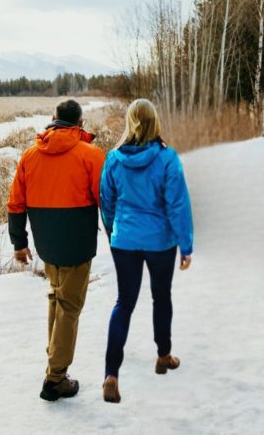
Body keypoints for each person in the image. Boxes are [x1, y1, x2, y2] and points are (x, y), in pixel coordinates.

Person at [7, 99, 105, 402]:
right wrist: (118, 234)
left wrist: (19, 242)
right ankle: (55, 378)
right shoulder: (91, 155)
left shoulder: (30, 155)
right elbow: (106, 199)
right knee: (69, 307)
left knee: (57, 297)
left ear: (53, 119)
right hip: (77, 243)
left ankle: (54, 358)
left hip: (46, 243)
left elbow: (16, 202)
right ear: (80, 124)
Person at [99, 98, 194, 404]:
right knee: (161, 297)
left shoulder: (114, 159)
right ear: (155, 122)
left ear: (130, 122)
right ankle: (163, 356)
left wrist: (114, 231)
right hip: (159, 242)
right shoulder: (167, 158)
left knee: (124, 303)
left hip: (125, 240)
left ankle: (111, 376)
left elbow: (107, 201)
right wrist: (186, 244)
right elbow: (177, 204)